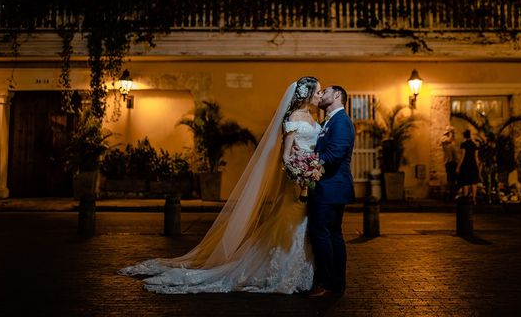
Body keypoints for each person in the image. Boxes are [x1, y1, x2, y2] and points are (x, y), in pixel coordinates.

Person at [119, 77, 323, 293]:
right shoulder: (292, 117)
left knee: (304, 225)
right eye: (317, 92)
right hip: (296, 182)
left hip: (310, 180)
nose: (320, 95)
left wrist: (312, 167)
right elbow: (285, 156)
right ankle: (282, 271)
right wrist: (300, 172)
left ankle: (303, 271)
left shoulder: (311, 116)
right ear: (307, 93)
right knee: (290, 225)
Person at [307, 85, 355, 298]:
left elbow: (334, 153)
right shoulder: (329, 120)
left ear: (337, 96)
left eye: (325, 91)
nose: (321, 94)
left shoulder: (342, 121)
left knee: (322, 234)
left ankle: (326, 282)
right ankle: (336, 282)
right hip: (328, 186)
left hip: (331, 186)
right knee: (331, 234)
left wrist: (308, 168)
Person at [457, 129, 481, 204]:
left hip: (466, 165)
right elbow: (476, 157)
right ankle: (474, 199)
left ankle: (466, 199)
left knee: (465, 182)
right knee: (474, 182)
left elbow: (462, 156)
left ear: (464, 136)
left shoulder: (463, 144)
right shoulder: (474, 145)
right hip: (473, 165)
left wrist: (458, 167)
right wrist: (477, 166)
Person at [441, 126, 459, 201]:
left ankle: (452, 194)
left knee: (454, 178)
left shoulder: (452, 141)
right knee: (449, 179)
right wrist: (451, 132)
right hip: (448, 161)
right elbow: (449, 140)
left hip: (454, 161)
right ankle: (448, 194)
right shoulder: (444, 138)